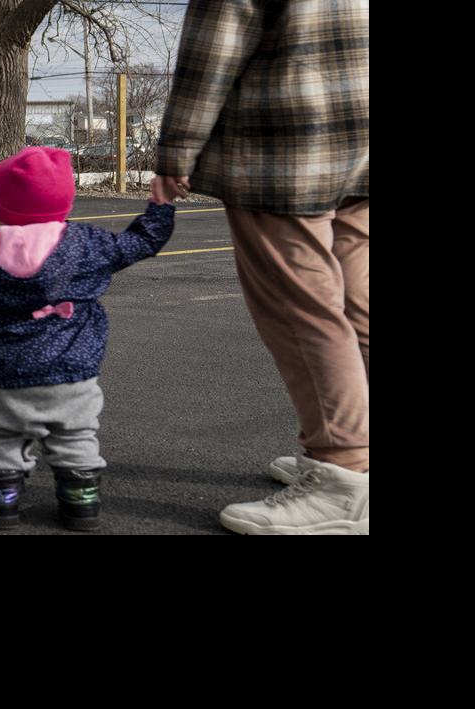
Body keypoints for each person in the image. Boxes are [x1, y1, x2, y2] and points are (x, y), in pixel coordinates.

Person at [154, 0, 369, 535]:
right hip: (364, 133)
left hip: (285, 144)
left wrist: (177, 150)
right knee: (359, 303)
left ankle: (345, 475)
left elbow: (212, 51)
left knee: (303, 314)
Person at [0, 148, 175, 531]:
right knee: (76, 436)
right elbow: (141, 243)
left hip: (1, 371)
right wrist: (160, 205)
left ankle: (0, 504)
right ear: (64, 199)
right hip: (72, 368)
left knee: (1, 439)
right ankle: (80, 504)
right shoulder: (87, 243)